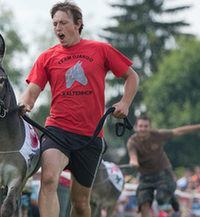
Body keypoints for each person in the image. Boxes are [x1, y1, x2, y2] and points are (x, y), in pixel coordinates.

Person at [18, 1, 139, 216]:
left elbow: (132, 76)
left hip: (90, 137)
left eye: (63, 23)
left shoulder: (101, 50)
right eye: (54, 24)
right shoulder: (47, 57)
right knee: (48, 179)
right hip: (57, 130)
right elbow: (31, 92)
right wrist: (24, 104)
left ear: (78, 24)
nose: (58, 28)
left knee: (81, 203)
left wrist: (125, 103)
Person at [127, 115, 200, 217]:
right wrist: (133, 162)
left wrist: (198, 126)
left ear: (150, 127)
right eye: (140, 126)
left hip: (163, 172)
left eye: (145, 126)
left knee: (161, 199)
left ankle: (170, 195)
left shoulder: (157, 135)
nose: (143, 129)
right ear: (136, 127)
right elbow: (133, 155)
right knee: (143, 203)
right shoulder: (132, 141)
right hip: (145, 177)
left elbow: (178, 131)